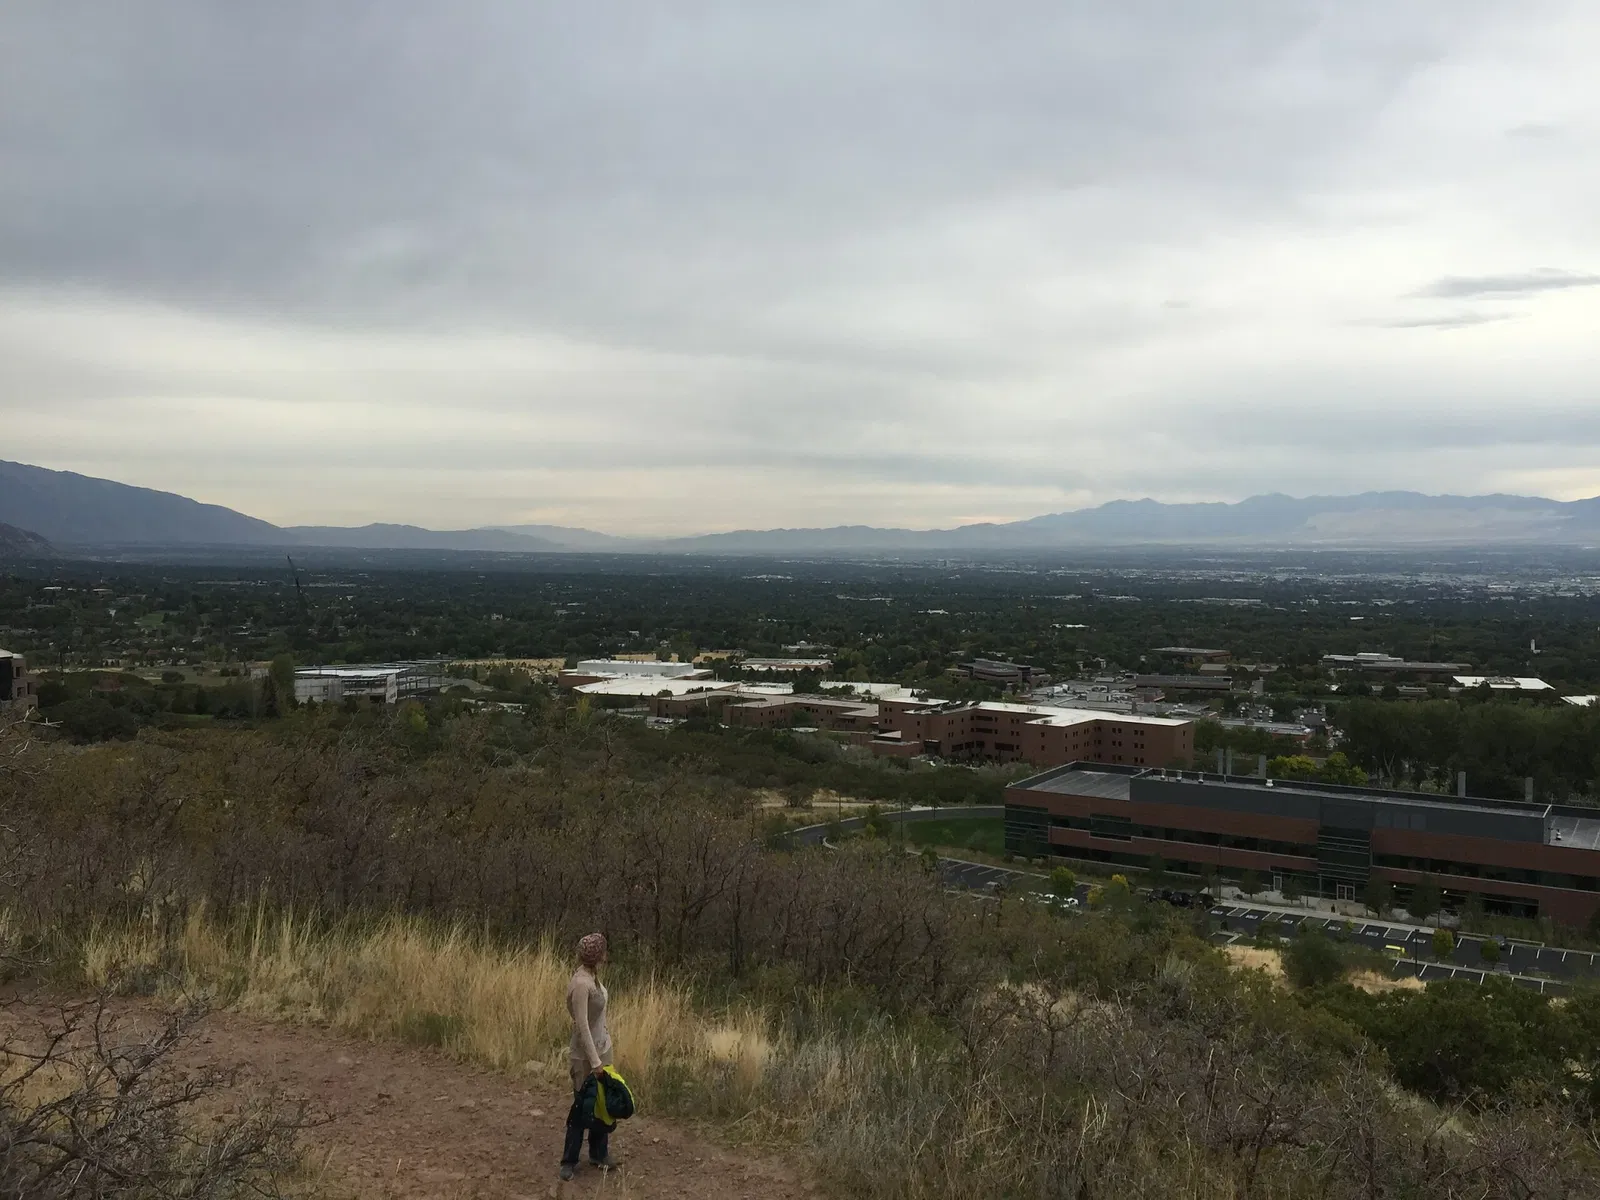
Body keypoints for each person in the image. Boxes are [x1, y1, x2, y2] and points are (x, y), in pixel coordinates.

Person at [560, 932, 619, 1180]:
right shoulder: (582, 984)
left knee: (602, 1105)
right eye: (603, 950)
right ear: (597, 957)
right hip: (585, 1059)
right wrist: (595, 1062)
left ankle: (598, 1153)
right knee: (581, 1109)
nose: (607, 954)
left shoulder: (592, 977)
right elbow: (581, 1024)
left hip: (602, 1049)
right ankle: (569, 1161)